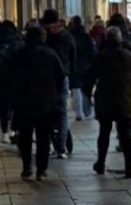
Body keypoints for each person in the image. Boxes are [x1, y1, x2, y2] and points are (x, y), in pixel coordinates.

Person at [4, 25, 64, 180]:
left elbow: (9, 76)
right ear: (42, 36)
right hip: (45, 102)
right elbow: (61, 76)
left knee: (25, 136)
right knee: (43, 137)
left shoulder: (18, 54)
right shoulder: (50, 54)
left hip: (24, 102)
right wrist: (54, 95)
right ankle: (41, 169)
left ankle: (26, 166)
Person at [90, 27, 131, 178]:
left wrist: (89, 92)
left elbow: (91, 74)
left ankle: (100, 162)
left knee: (104, 132)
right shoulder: (129, 56)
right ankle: (129, 166)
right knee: (126, 133)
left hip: (106, 98)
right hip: (125, 99)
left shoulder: (101, 56)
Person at [41, 9, 77, 159]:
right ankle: (61, 148)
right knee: (62, 113)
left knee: (45, 112)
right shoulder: (67, 36)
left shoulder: (45, 36)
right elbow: (73, 57)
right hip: (63, 76)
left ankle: (48, 144)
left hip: (46, 77)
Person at [69, 15, 97, 120]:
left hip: (74, 66)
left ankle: (79, 112)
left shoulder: (70, 36)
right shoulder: (86, 36)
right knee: (85, 90)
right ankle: (85, 111)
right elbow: (92, 52)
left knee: (76, 89)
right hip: (85, 66)